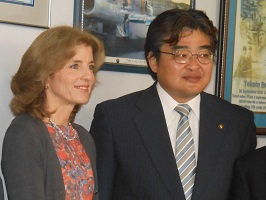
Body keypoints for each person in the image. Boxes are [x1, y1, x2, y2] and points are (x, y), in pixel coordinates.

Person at [89, 8, 257, 200]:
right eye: (182, 55)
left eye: (203, 54)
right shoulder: (115, 118)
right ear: (153, 61)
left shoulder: (237, 122)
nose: (194, 65)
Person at [1, 25, 105, 200]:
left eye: (90, 66)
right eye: (74, 66)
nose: (88, 75)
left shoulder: (82, 136)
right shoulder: (25, 133)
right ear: (45, 75)